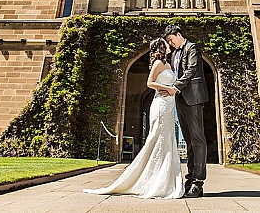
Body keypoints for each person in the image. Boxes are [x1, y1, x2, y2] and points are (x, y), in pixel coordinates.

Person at [83, 38, 184, 199]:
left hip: (168, 106)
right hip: (160, 105)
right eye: (166, 43)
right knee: (158, 138)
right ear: (161, 47)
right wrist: (168, 88)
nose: (169, 45)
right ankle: (151, 180)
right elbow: (150, 83)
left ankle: (165, 180)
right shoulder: (158, 63)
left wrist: (174, 89)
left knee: (167, 139)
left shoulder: (168, 64)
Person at [164, 24, 209, 198]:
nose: (171, 43)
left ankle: (198, 182)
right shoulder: (174, 53)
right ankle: (190, 179)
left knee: (198, 140)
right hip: (181, 99)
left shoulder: (192, 48)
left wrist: (176, 87)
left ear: (178, 34)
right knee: (189, 141)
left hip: (194, 98)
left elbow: (191, 69)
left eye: (171, 39)